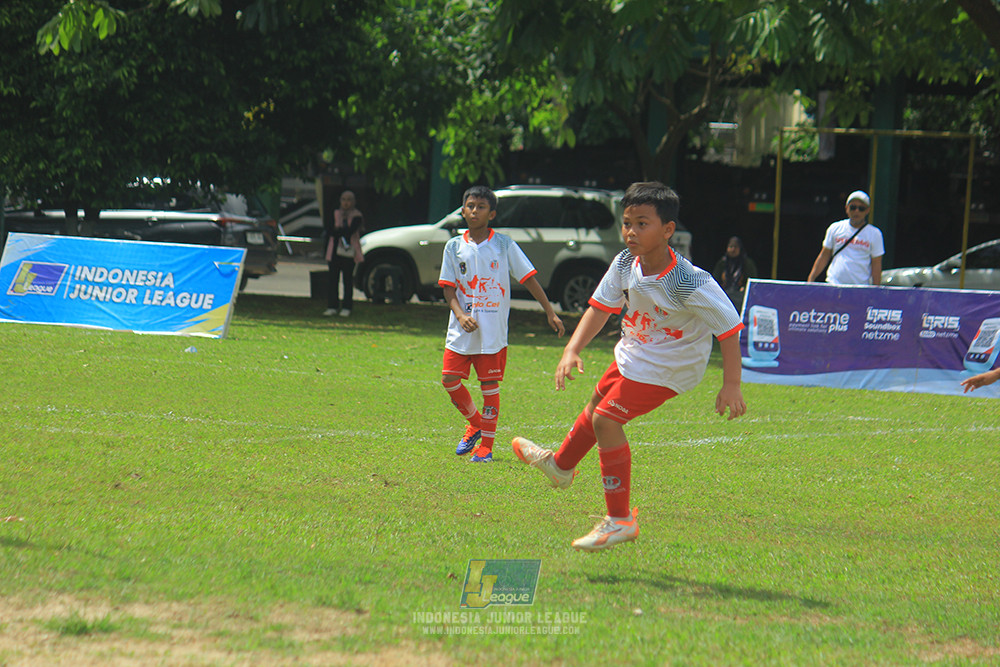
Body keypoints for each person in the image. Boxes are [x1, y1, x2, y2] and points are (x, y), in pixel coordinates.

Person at [511, 181, 747, 551]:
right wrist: (572, 348)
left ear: (668, 230)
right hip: (635, 353)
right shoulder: (625, 263)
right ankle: (560, 466)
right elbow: (600, 308)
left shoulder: (688, 281)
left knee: (606, 420)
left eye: (642, 224)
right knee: (596, 404)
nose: (631, 232)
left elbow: (729, 328)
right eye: (626, 223)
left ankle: (620, 520)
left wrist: (731, 384)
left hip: (671, 366)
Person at [438, 185, 566, 463]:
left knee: (489, 387)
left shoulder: (504, 245)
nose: (475, 211)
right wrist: (460, 316)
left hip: (492, 331)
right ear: (463, 211)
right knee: (449, 379)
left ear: (492, 214)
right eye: (470, 206)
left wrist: (549, 311)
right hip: (461, 329)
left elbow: (528, 278)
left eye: (481, 207)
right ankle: (476, 423)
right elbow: (448, 289)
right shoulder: (454, 246)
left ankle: (486, 448)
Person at [807, 190, 884, 285]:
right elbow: (824, 255)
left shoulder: (875, 234)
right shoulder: (835, 228)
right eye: (853, 207)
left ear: (867, 211)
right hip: (834, 284)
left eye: (861, 208)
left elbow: (876, 264)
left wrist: (876, 289)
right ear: (847, 208)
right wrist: (811, 279)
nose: (856, 211)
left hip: (860, 287)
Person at [323, 190, 364, 317]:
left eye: (349, 200)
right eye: (344, 199)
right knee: (333, 279)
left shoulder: (357, 216)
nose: (346, 203)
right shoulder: (335, 213)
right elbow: (330, 230)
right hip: (334, 251)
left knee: (347, 280)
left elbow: (350, 231)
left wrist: (339, 230)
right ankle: (332, 306)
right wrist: (340, 231)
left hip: (349, 251)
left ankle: (347, 307)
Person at [712, 236, 757, 307]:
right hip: (724, 293)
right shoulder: (722, 263)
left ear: (740, 249)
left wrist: (744, 288)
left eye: (735, 247)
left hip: (740, 294)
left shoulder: (747, 263)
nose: (733, 249)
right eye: (731, 247)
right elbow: (715, 280)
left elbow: (752, 282)